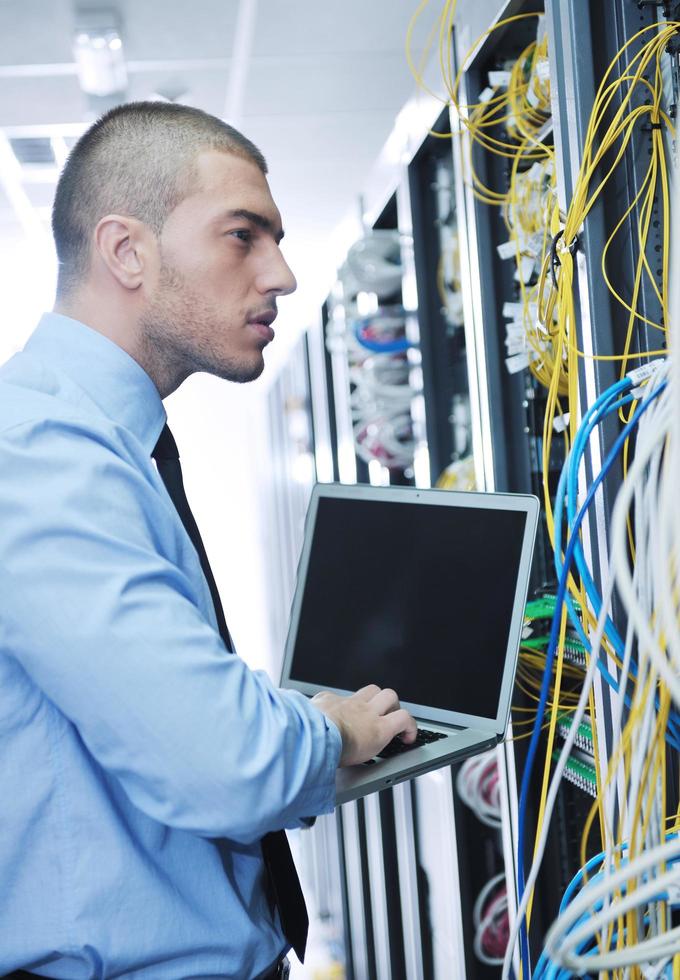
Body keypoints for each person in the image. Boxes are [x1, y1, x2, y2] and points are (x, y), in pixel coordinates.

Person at [0, 101, 417, 980]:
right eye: (243, 236)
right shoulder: (36, 451)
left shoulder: (103, 446)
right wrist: (327, 731)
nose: (284, 274)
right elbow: (219, 761)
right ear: (127, 251)